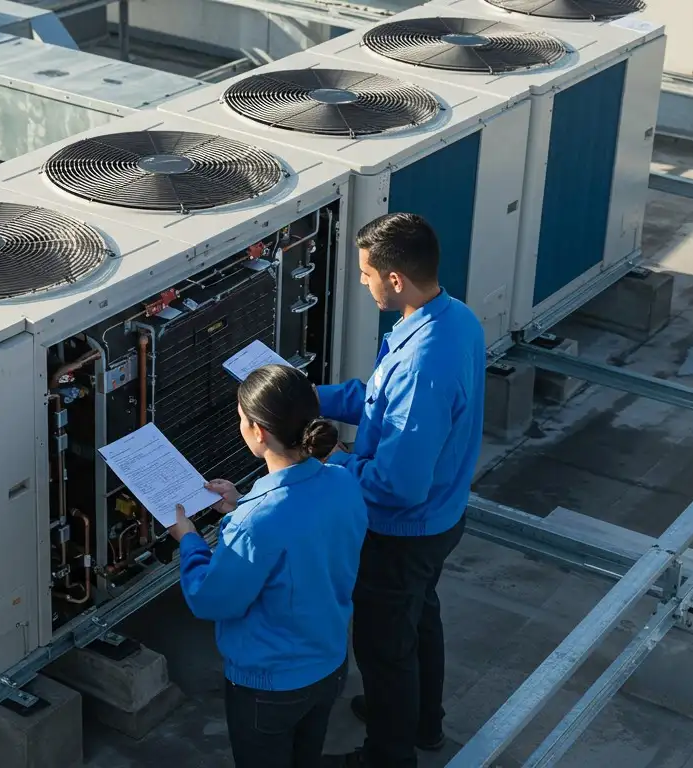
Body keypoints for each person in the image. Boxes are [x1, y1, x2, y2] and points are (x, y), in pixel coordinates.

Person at [317, 213, 486, 768]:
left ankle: (388, 756)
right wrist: (307, 395)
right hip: (443, 517)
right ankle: (422, 723)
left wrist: (329, 462)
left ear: (395, 278)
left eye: (367, 274)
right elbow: (377, 402)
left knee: (385, 649)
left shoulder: (422, 362)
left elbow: (398, 485)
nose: (362, 282)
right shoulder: (455, 319)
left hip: (401, 535)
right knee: (420, 619)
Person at [167, 363, 369, 768]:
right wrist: (241, 503)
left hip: (269, 688)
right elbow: (300, 532)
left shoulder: (255, 523)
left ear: (258, 432)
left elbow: (211, 600)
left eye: (241, 419)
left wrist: (188, 540)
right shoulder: (344, 481)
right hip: (329, 665)